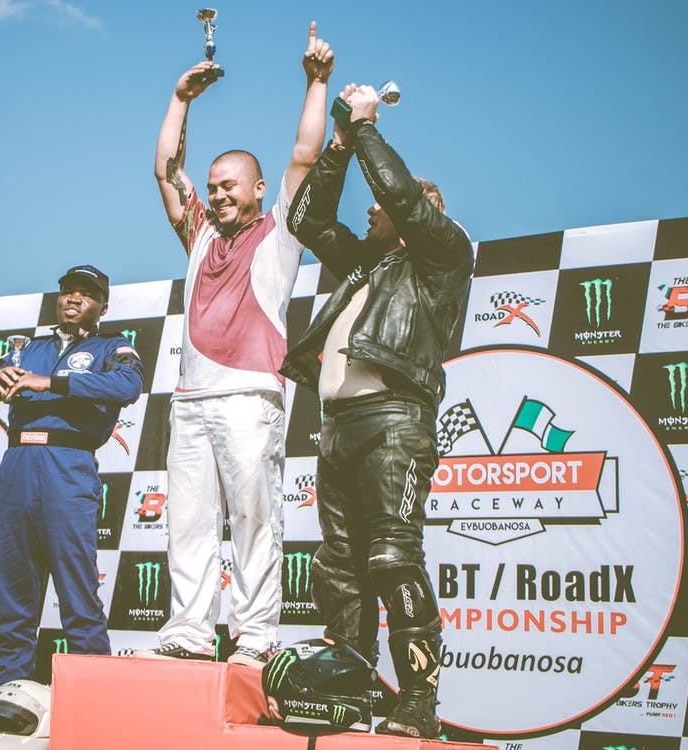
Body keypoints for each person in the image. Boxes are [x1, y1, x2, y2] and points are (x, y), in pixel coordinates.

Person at [279, 84, 474, 737]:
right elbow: (305, 221)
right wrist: (337, 147)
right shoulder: (363, 264)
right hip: (336, 425)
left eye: (386, 204)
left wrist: (365, 128)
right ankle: (351, 696)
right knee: (338, 572)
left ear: (422, 211)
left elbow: (397, 195)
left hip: (394, 419)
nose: (371, 206)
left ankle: (417, 704)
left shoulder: (440, 256)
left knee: (391, 557)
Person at [137, 22, 334, 668]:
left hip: (249, 395)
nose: (218, 193)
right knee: (187, 524)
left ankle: (253, 638)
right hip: (191, 399)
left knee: (253, 519)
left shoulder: (279, 233)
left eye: (231, 185)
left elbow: (303, 156)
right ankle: (190, 633)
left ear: (256, 190)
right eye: (213, 185)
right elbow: (165, 170)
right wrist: (179, 97)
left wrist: (317, 83)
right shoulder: (198, 236)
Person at [0, 264, 143, 687]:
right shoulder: (24, 349)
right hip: (18, 467)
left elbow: (127, 387)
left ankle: (94, 704)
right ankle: (6, 702)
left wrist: (51, 383)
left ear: (102, 307)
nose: (74, 299)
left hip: (68, 468)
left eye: (86, 294)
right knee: (12, 599)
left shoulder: (113, 346)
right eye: (67, 291)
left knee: (77, 598)